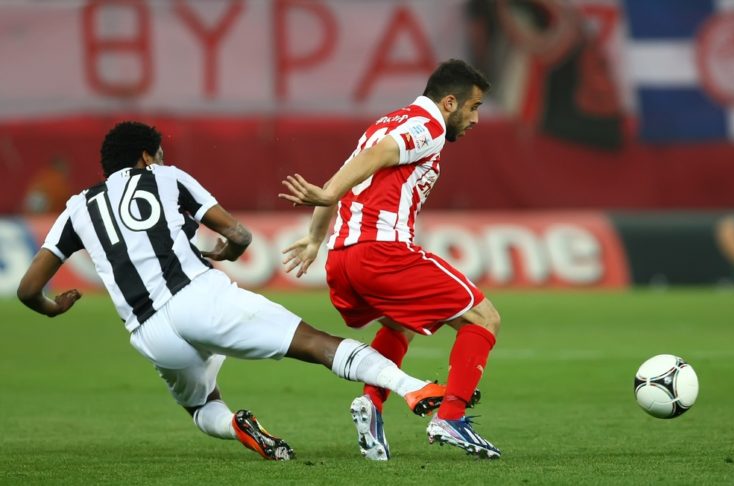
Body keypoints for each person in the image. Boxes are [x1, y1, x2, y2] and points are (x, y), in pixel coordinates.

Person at [16, 121, 447, 462]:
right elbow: (238, 234)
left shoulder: (77, 208)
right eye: (159, 154)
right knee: (316, 343)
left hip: (150, 332)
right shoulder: (165, 177)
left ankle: (236, 426)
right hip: (198, 297)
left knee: (201, 406)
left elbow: (29, 288)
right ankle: (411, 386)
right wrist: (231, 250)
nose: (162, 160)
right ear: (147, 156)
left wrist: (52, 307)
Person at [280, 59, 502, 460]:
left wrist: (315, 238)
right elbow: (378, 157)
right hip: (381, 253)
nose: (476, 119)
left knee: (402, 324)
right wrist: (327, 197)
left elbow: (343, 174)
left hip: (342, 260)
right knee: (484, 318)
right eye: (473, 107)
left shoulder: (384, 123)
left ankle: (372, 400)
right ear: (449, 103)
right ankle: (451, 418)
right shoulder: (428, 125)